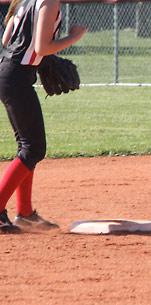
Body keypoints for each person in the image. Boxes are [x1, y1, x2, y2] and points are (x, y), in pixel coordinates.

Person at [0, 0, 87, 232]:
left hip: (10, 73)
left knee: (27, 148)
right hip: (17, 78)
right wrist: (74, 37)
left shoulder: (25, 0)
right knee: (34, 148)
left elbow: (6, 40)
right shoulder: (49, 3)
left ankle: (25, 213)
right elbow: (41, 48)